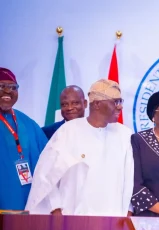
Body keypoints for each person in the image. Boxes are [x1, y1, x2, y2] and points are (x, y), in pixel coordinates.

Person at [25, 79, 133, 216]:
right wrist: (55, 210)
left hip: (114, 220)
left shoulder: (125, 135)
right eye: (115, 102)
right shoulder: (67, 132)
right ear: (98, 104)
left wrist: (129, 211)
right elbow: (45, 176)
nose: (120, 107)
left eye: (121, 101)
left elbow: (131, 180)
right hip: (73, 219)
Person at [0, 67, 48, 211]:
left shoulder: (29, 123)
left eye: (13, 87)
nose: (8, 91)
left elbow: (48, 161)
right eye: (2, 86)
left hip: (29, 209)